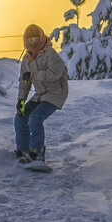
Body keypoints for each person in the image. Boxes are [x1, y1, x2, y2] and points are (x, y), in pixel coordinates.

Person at [14, 23, 69, 163]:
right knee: (20, 117)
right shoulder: (27, 60)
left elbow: (55, 73)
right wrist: (21, 100)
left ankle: (37, 154)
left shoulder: (50, 54)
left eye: (35, 39)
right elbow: (24, 83)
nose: (33, 42)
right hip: (40, 95)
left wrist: (33, 75)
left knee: (35, 118)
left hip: (55, 94)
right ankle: (23, 151)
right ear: (25, 41)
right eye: (30, 40)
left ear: (41, 38)